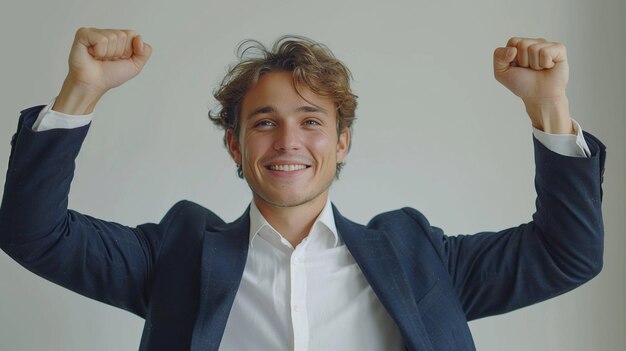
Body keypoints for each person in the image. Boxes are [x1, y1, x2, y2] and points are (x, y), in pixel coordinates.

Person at [0, 27, 606, 351]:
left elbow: (566, 255)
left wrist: (548, 106)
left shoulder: (418, 257)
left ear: (342, 143)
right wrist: (81, 92)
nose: (288, 140)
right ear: (235, 146)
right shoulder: (177, 254)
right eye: (264, 122)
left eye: (311, 121)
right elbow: (33, 233)